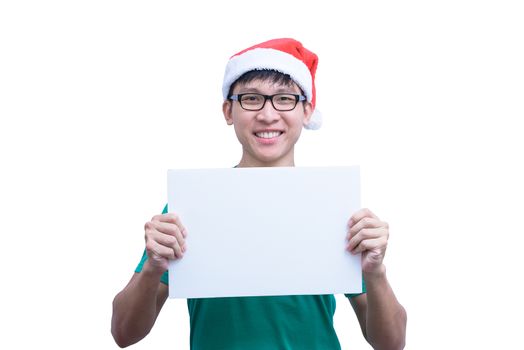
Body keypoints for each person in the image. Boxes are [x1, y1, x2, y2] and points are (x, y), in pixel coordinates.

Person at [111, 38, 407, 349]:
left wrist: (375, 273)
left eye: (285, 99)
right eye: (252, 99)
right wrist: (152, 268)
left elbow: (392, 344)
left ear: (306, 111)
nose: (268, 115)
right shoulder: (192, 206)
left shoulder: (332, 206)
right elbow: (124, 334)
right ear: (229, 111)